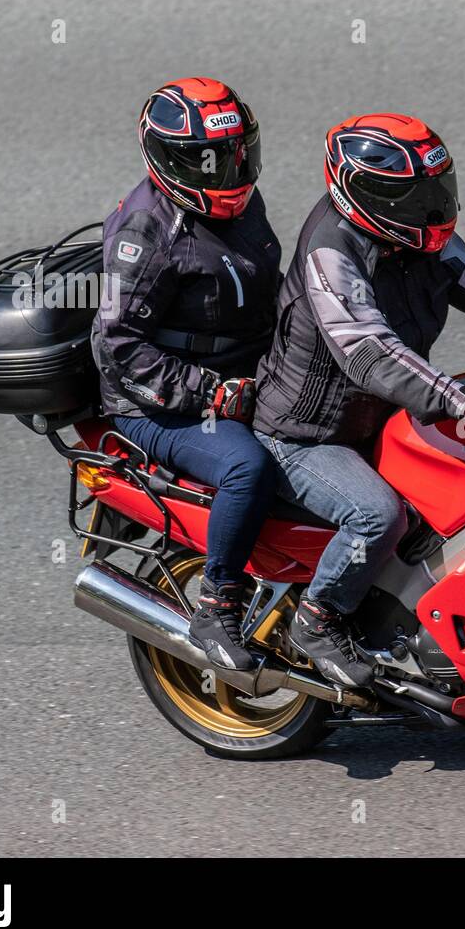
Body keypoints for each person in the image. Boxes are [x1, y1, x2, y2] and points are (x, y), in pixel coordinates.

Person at [253, 113, 465, 688]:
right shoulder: (332, 251)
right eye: (418, 197)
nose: (435, 208)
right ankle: (318, 620)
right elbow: (368, 349)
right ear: (371, 198)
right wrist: (460, 400)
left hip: (378, 417)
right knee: (377, 515)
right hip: (306, 435)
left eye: (437, 191)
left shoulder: (412, 236)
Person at [91, 77, 282, 672]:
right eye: (210, 161)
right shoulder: (146, 234)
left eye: (237, 153)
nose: (229, 171)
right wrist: (214, 394)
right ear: (170, 160)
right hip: (157, 404)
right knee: (246, 467)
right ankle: (216, 606)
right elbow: (116, 344)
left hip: (245, 365)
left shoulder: (241, 200)